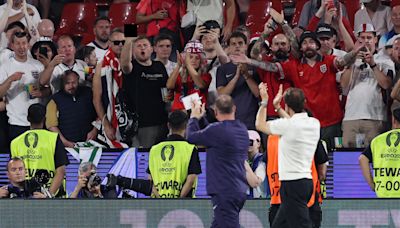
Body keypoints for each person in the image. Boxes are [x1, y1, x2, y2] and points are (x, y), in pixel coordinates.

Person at [255, 83, 320, 228]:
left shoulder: (287, 126)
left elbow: (260, 125)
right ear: (304, 103)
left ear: (287, 106)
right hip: (306, 182)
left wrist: (265, 101)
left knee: (302, 224)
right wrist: (278, 108)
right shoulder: (314, 123)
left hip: (292, 183)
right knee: (279, 225)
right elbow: (292, 123)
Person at [186, 94, 248, 228]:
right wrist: (201, 118)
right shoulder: (242, 129)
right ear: (234, 109)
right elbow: (214, 134)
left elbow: (191, 137)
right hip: (238, 189)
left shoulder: (216, 131)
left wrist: (194, 118)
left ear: (215, 112)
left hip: (224, 192)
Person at [340, 24, 394, 147]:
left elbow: (386, 84)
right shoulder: (351, 60)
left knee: (372, 158)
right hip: (351, 117)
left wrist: (373, 64)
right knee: (348, 159)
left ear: (376, 39)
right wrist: (351, 62)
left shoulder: (384, 61)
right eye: (362, 38)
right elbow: (343, 84)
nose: (365, 41)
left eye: (369, 37)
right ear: (357, 42)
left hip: (375, 117)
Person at [10, 103, 69, 198]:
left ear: (28, 119)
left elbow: (14, 174)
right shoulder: (53, 138)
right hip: (53, 196)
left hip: (25, 198)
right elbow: (61, 171)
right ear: (44, 118)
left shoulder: (15, 143)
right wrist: (48, 195)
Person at [120, 36, 168, 148]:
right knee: (144, 159)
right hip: (143, 125)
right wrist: (128, 40)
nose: (142, 48)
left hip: (162, 121)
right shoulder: (132, 68)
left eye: (145, 45)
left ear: (151, 49)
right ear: (133, 50)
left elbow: (165, 90)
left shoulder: (159, 66)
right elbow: (125, 64)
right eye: (138, 46)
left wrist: (169, 108)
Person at [0, 31, 45, 140]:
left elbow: (47, 89)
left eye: (24, 43)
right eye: (18, 43)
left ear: (28, 44)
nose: (21, 47)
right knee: (17, 157)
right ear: (12, 45)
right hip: (16, 122)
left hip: (37, 122)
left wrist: (41, 93)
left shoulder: (37, 65)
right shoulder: (5, 66)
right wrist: (11, 79)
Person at [148, 110, 201, 198]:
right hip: (184, 206)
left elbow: (150, 180)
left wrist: (159, 199)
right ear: (186, 126)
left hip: (157, 205)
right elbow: (191, 179)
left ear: (168, 125)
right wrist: (176, 202)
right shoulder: (190, 148)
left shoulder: (154, 149)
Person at [217, 31, 260, 130]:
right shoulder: (222, 69)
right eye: (233, 44)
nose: (237, 46)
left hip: (252, 120)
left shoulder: (254, 66)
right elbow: (222, 94)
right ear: (229, 48)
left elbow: (258, 93)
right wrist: (236, 76)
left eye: (240, 43)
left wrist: (245, 74)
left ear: (246, 46)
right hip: (229, 120)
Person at [92, 29, 127, 147]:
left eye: (123, 42)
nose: (121, 45)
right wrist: (106, 124)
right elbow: (96, 99)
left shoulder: (132, 62)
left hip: (132, 119)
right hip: (112, 118)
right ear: (110, 43)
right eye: (117, 42)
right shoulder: (101, 66)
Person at [46, 70, 97, 147]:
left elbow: (100, 113)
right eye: (67, 83)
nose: (71, 86)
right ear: (62, 83)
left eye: (74, 82)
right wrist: (64, 142)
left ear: (78, 80)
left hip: (91, 143)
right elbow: (51, 125)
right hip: (68, 145)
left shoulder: (89, 93)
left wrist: (95, 130)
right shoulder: (55, 99)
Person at [359, 108, 400, 198]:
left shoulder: (378, 140)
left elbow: (362, 159)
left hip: (383, 194)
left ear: (393, 120)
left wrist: (372, 185)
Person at [167, 40, 211, 111]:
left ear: (201, 61)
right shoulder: (179, 74)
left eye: (197, 58)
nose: (193, 60)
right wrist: (178, 65)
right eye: (190, 57)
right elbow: (169, 86)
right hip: (178, 114)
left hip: (197, 113)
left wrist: (188, 65)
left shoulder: (205, 75)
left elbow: (201, 85)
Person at [245, 130, 266, 198]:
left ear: (258, 143)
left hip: (260, 201)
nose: (248, 144)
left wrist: (243, 163)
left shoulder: (262, 160)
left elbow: (255, 183)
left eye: (251, 141)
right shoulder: (240, 160)